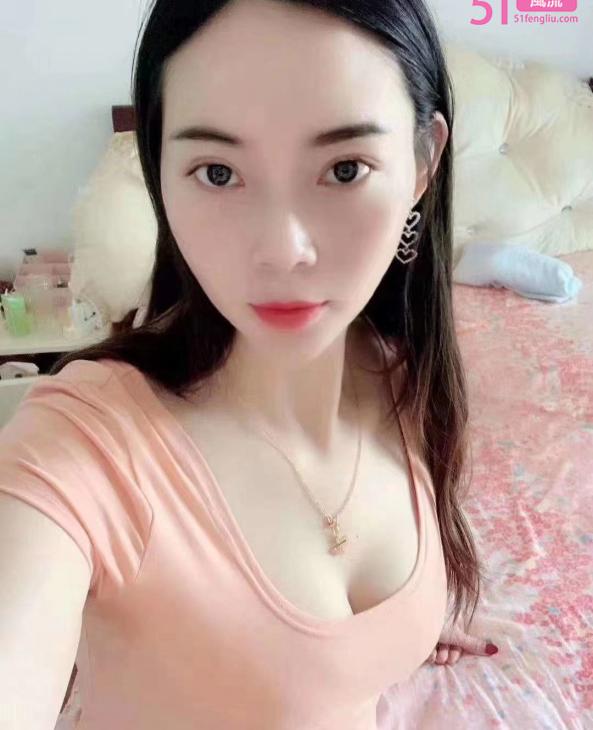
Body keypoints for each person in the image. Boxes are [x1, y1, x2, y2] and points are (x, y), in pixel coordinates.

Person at [0, 1, 496, 728]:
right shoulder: (84, 445)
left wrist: (408, 625)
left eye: (345, 169)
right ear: (160, 173)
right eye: (218, 172)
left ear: (423, 163)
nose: (282, 250)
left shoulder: (404, 377)